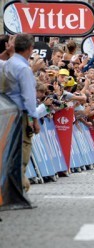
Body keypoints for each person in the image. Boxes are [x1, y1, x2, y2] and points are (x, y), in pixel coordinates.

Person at [2, 33, 40, 193]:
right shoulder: (24, 68)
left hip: (6, 112)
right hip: (20, 115)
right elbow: (29, 97)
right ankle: (20, 188)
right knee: (23, 148)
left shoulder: (6, 64)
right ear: (30, 49)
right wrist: (34, 119)